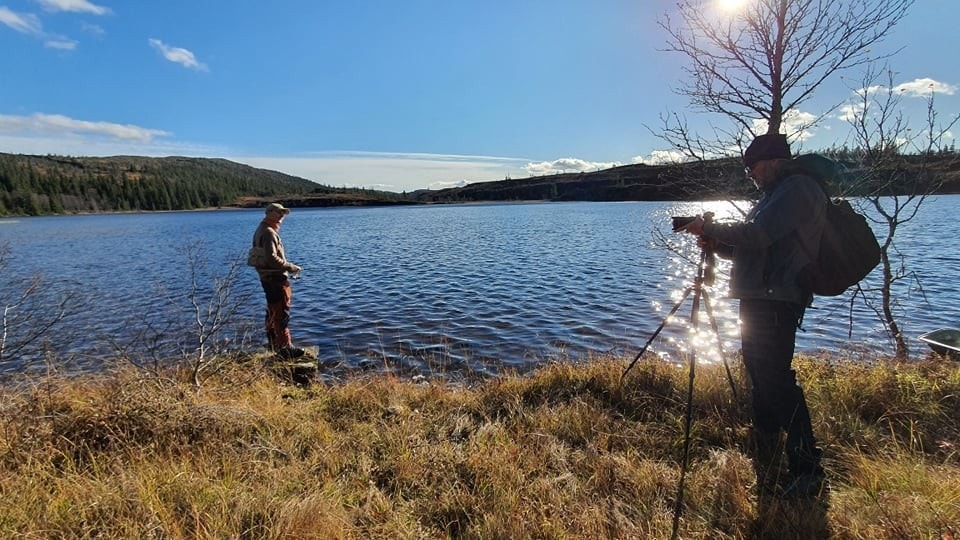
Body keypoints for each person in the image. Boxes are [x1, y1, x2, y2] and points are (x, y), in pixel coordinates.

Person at [679, 133, 828, 497]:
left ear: (774, 161)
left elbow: (757, 235)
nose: (751, 175)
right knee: (758, 371)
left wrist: (709, 227)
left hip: (778, 299)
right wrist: (717, 243)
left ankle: (808, 469)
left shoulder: (798, 189)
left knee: (776, 379)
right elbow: (753, 247)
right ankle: (766, 436)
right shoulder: (775, 194)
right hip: (760, 296)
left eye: (754, 168)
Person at [251, 202, 305, 359]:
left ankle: (273, 342)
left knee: (272, 310)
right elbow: (272, 259)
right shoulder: (268, 232)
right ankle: (285, 348)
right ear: (268, 213)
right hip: (275, 278)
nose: (282, 215)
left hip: (267, 277)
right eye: (278, 212)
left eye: (283, 213)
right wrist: (291, 267)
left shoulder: (262, 229)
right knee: (281, 312)